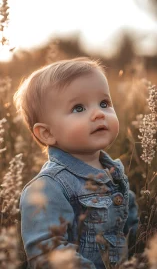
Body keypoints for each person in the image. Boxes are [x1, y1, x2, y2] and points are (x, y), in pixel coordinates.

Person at [14, 57, 138, 269]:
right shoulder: (48, 187)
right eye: (79, 108)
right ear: (47, 133)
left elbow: (133, 232)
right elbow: (47, 255)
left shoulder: (115, 173)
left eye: (104, 103)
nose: (99, 113)